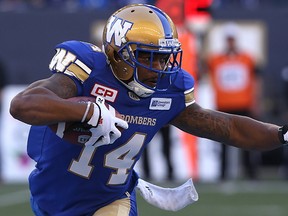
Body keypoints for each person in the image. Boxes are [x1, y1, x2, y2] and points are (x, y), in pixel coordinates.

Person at [9, 3, 287, 216]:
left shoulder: (169, 88)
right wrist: (87, 112)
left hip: (111, 201)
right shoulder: (87, 70)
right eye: (146, 56)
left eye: (164, 58)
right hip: (50, 198)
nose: (158, 68)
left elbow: (229, 128)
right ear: (118, 52)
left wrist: (283, 135)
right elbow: (23, 106)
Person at [205, 22, 262, 180]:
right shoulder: (216, 59)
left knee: (247, 143)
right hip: (223, 106)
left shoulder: (247, 58)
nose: (230, 42)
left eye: (232, 39)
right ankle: (223, 175)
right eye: (228, 39)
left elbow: (256, 80)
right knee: (223, 144)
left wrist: (255, 102)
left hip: (243, 105)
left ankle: (251, 175)